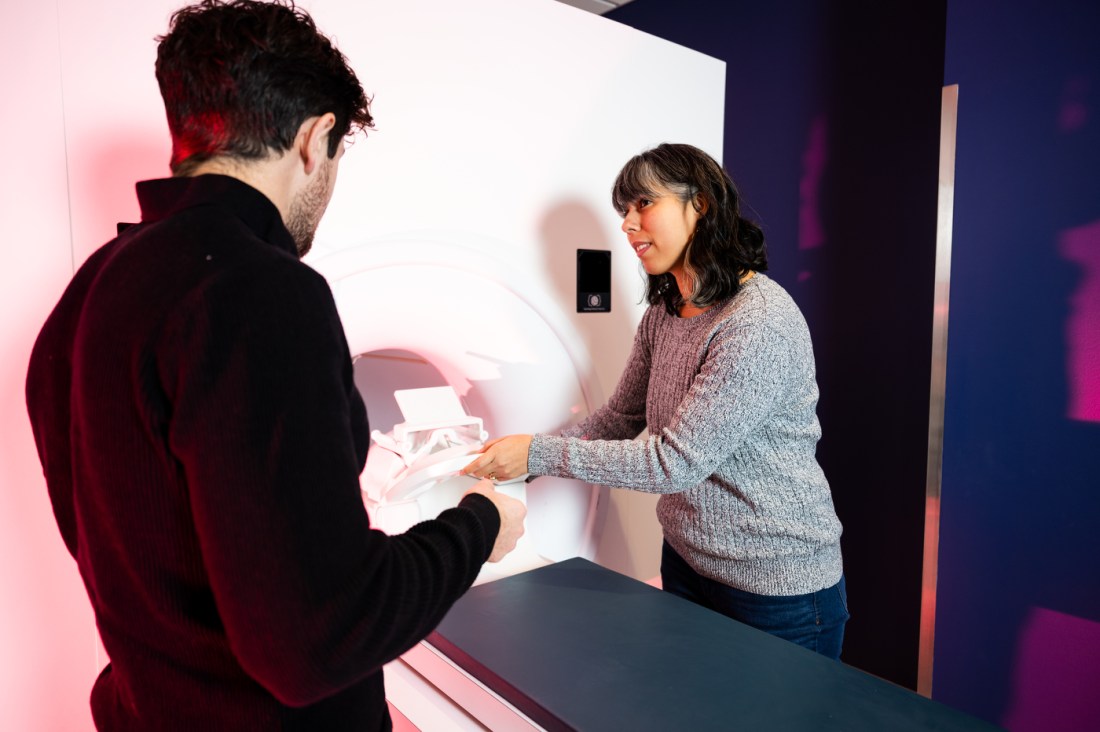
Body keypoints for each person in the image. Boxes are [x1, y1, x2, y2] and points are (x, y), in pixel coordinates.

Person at [25, 1, 525, 729]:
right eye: (337, 159)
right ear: (314, 139)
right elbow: (316, 640)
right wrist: (478, 526)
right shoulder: (260, 289)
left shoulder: (87, 292)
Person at [464, 143, 847, 659]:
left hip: (775, 586)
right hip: (688, 563)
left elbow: (673, 463)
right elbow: (621, 417)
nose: (628, 223)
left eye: (644, 203)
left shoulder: (757, 323)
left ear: (702, 204)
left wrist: (536, 453)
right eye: (624, 210)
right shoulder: (665, 314)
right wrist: (517, 465)